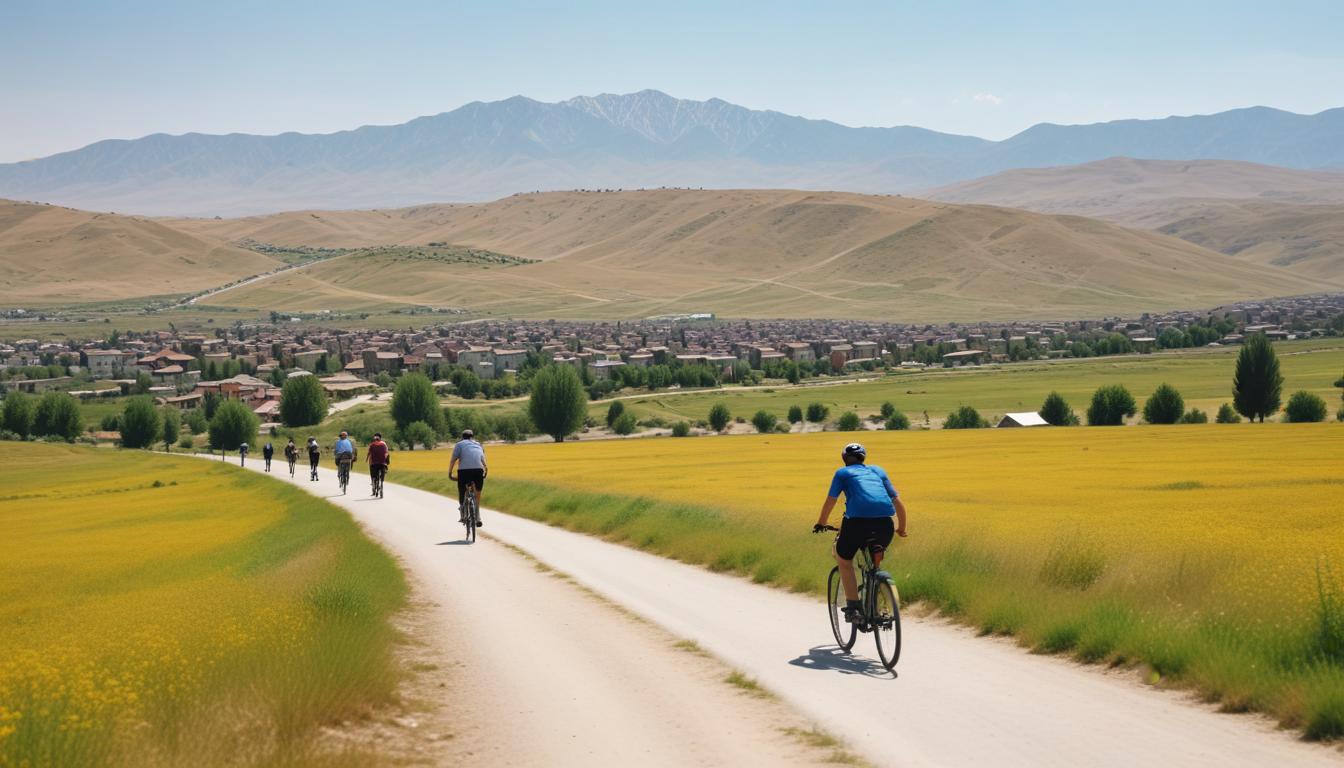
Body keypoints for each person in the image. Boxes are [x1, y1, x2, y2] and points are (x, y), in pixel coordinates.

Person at [812, 443, 908, 624]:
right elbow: (897, 500)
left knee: (844, 560)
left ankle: (854, 608)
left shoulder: (842, 473)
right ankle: (882, 600)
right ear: (863, 457)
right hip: (885, 525)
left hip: (855, 524)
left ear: (844, 459)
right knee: (875, 559)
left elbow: (831, 501)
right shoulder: (878, 471)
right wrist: (901, 528)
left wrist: (821, 523)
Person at [448, 429, 487, 525]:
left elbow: (453, 460)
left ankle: (462, 513)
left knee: (462, 490)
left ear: (462, 437)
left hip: (464, 472)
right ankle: (478, 517)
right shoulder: (478, 444)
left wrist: (450, 473)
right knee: (477, 492)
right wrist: (486, 470)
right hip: (478, 470)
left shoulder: (459, 444)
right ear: (472, 437)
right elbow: (483, 460)